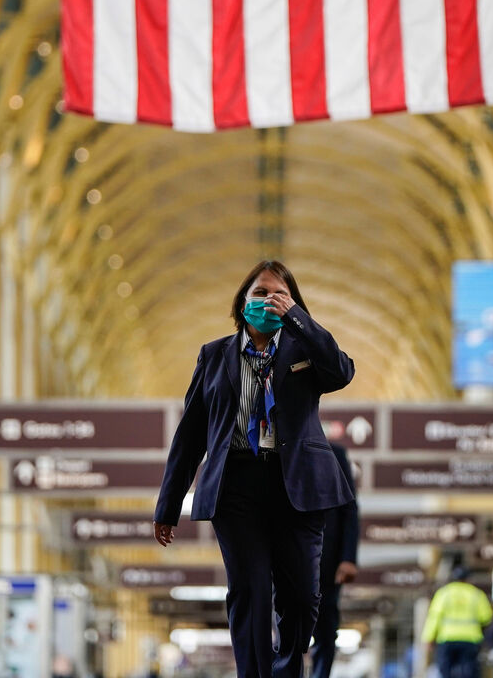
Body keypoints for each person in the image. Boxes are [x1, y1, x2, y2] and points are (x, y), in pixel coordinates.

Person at [153, 260, 356, 678]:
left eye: (279, 295)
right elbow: (191, 434)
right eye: (260, 294)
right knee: (250, 591)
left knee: (302, 597)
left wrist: (298, 319)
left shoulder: (305, 351)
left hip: (295, 485)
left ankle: (285, 670)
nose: (268, 301)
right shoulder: (214, 356)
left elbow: (342, 371)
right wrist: (168, 505)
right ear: (242, 302)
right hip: (236, 485)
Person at [309, 442, 360, 678]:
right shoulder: (275, 446)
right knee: (285, 623)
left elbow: (349, 509)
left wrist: (348, 558)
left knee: (326, 629)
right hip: (285, 556)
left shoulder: (335, 453)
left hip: (328, 560)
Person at [421, 565, 493, 678]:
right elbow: (486, 617)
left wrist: (428, 638)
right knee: (469, 671)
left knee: (445, 671)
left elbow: (434, 617)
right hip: (470, 638)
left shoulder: (444, 593)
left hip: (446, 638)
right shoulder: (476, 594)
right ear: (468, 579)